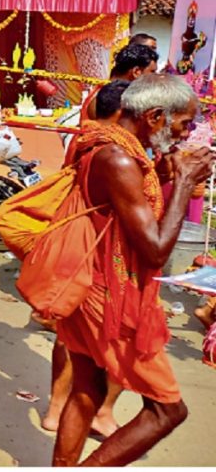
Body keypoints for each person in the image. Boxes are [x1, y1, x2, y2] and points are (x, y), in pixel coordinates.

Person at [53, 74, 212, 466]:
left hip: (89, 282)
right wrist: (187, 178)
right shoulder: (118, 158)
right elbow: (156, 250)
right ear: (155, 116)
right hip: (109, 297)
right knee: (168, 410)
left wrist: (164, 175)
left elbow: (122, 205)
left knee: (86, 389)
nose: (185, 134)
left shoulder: (110, 148)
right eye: (182, 124)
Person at [41, 79, 129, 436]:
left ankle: (58, 410)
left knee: (71, 334)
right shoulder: (116, 153)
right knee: (123, 338)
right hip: (101, 252)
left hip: (78, 248)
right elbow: (148, 235)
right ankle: (100, 412)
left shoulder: (89, 137)